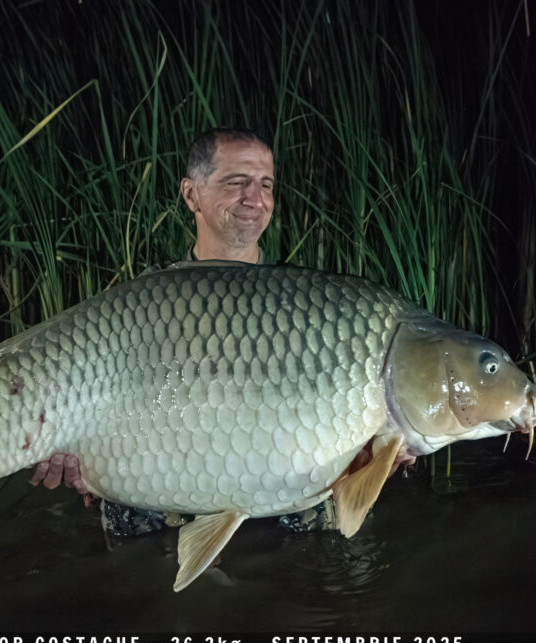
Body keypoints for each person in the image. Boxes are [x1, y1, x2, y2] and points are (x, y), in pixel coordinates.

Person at [29, 128, 334, 535]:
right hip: (158, 504)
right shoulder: (140, 302)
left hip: (282, 504)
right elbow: (83, 411)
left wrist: (386, 445)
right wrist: (75, 454)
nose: (255, 199)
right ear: (191, 195)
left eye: (266, 184)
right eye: (237, 182)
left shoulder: (308, 304)